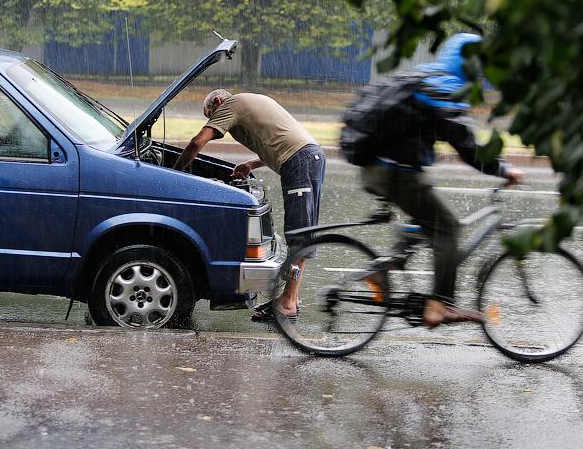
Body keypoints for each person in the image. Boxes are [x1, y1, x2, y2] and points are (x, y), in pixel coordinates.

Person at [342, 33, 524, 328]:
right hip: (394, 172)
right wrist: (502, 170)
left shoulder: (428, 76)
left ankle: (382, 268)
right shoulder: (445, 87)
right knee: (447, 228)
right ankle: (440, 305)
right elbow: (467, 147)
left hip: (380, 167)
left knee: (426, 218)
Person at [173, 89, 325, 322]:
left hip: (301, 162)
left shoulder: (231, 104)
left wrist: (175, 174)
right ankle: (290, 299)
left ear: (217, 102)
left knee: (299, 236)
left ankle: (288, 302)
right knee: (300, 234)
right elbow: (279, 139)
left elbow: (197, 142)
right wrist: (251, 164)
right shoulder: (249, 101)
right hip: (307, 157)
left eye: (210, 114)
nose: (214, 120)